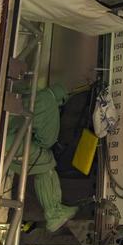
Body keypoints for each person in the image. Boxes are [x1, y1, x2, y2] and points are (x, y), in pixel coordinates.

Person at [27, 83, 76, 233]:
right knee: (46, 164)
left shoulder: (36, 91)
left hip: (10, 127)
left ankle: (55, 210)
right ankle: (53, 213)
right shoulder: (51, 108)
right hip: (10, 139)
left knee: (46, 163)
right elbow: (47, 141)